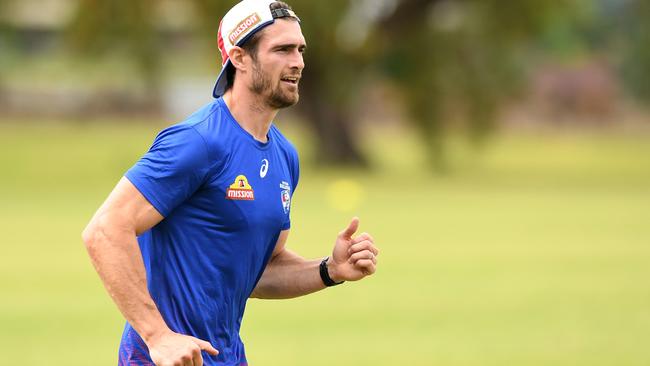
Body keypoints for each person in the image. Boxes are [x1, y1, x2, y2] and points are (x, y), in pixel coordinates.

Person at [81, 1, 379, 365]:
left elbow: (260, 271)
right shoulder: (198, 141)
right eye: (282, 50)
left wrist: (328, 270)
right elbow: (105, 230)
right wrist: (158, 336)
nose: (298, 62)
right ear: (239, 58)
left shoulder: (285, 156)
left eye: (300, 49)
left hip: (227, 356)